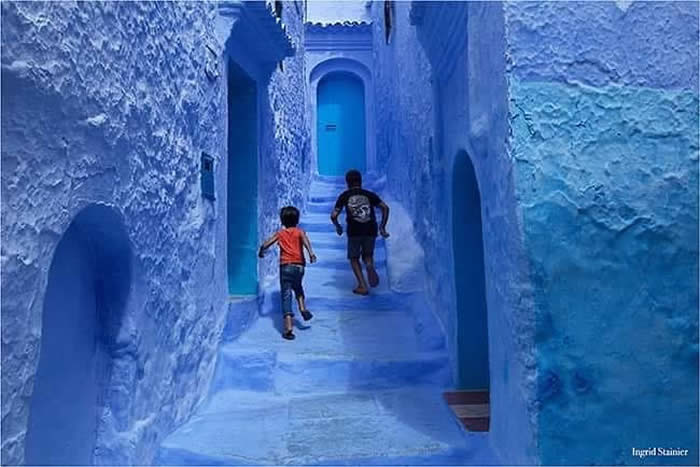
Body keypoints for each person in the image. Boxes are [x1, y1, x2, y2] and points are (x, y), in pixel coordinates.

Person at [258, 206, 317, 340]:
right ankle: (302, 308)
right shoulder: (300, 232)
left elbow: (267, 244)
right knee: (298, 287)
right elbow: (306, 242)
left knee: (286, 294)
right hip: (299, 266)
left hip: (285, 266)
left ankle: (288, 328)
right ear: (297, 219)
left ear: (282, 220)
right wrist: (311, 254)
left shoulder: (280, 234)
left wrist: (261, 251)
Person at [331, 169, 390, 295]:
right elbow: (385, 208)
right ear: (361, 181)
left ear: (347, 183)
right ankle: (369, 264)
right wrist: (382, 227)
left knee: (354, 258)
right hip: (370, 229)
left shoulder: (344, 196)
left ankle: (362, 285)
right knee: (368, 255)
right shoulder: (369, 194)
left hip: (354, 231)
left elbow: (334, 215)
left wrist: (338, 226)